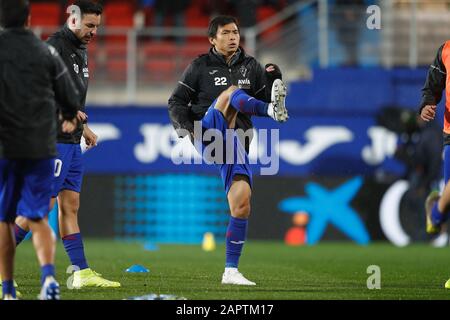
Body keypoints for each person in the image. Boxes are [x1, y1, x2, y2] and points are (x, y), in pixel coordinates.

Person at [168, 15, 288, 285]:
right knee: (230, 93)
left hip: (235, 143)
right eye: (226, 32)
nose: (233, 36)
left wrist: (273, 82)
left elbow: (265, 98)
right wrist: (187, 131)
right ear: (212, 39)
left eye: (236, 32)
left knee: (242, 203)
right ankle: (268, 110)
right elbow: (176, 101)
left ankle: (230, 271)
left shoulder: (251, 66)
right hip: (208, 133)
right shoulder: (199, 66)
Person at [13, 0, 121, 289]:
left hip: (72, 140)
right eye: (89, 25)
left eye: (97, 26)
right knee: (40, 206)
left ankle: (80, 272)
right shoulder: (55, 47)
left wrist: (84, 127)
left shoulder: (78, 50)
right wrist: (68, 113)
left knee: (70, 205)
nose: (93, 32)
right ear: (73, 20)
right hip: (54, 139)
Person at [0, 0, 79, 299]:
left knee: (5, 219)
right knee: (38, 216)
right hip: (41, 145)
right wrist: (70, 116)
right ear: (29, 19)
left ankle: (8, 290)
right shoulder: (45, 51)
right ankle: (48, 280)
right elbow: (70, 97)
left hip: (5, 146)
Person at [421, 40, 450, 289]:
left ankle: (437, 212)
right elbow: (432, 87)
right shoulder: (445, 50)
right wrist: (427, 105)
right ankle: (438, 211)